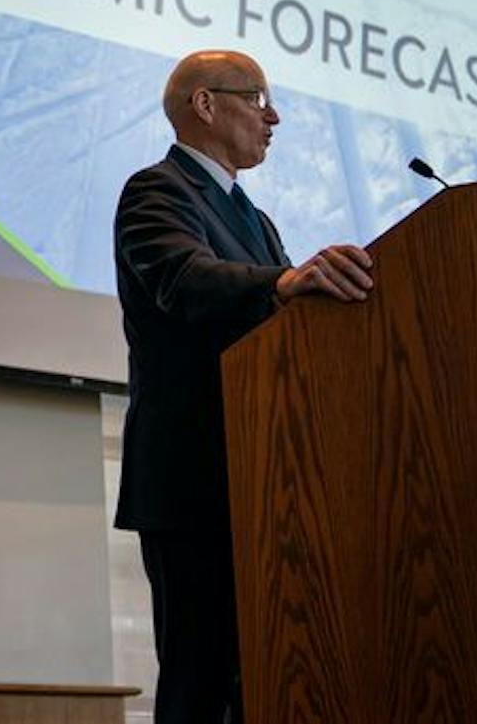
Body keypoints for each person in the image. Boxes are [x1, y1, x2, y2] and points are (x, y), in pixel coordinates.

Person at [112, 50, 374, 723]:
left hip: (267, 479)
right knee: (201, 684)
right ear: (205, 104)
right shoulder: (156, 191)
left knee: (265, 677)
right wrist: (286, 282)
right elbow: (182, 278)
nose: (274, 115)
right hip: (193, 480)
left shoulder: (259, 222)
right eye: (258, 98)